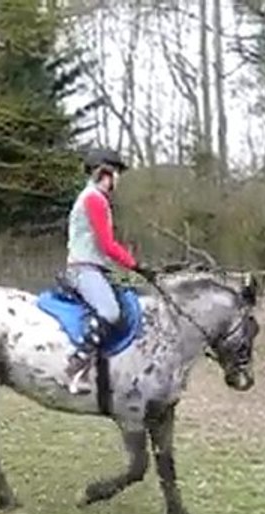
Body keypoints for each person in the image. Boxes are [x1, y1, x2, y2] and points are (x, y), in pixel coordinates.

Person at [63, 147, 156, 394]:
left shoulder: (94, 198)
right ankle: (77, 364)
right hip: (84, 268)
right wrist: (135, 266)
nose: (118, 179)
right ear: (105, 172)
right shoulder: (94, 199)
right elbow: (107, 245)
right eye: (116, 173)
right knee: (110, 311)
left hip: (96, 266)